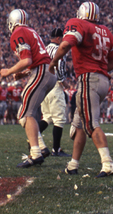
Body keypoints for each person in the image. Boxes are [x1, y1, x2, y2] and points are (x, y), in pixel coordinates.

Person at [50, 1, 113, 178]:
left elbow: (65, 45)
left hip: (89, 79)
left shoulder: (77, 23)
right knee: (80, 124)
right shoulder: (106, 31)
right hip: (103, 80)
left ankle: (108, 163)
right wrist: (100, 69)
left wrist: (54, 61)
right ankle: (73, 164)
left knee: (91, 124)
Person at [0, 9, 56, 168]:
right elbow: (35, 59)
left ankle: (36, 153)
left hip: (42, 72)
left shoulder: (18, 32)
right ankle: (41, 148)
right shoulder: (30, 30)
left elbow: (26, 60)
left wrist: (9, 71)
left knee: (26, 113)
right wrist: (23, 74)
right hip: (46, 71)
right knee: (23, 113)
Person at [41, 28, 71, 157]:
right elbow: (59, 67)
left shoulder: (44, 49)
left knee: (47, 117)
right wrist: (64, 82)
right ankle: (56, 149)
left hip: (43, 87)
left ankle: (33, 141)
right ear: (59, 38)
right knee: (59, 119)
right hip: (54, 85)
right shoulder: (59, 50)